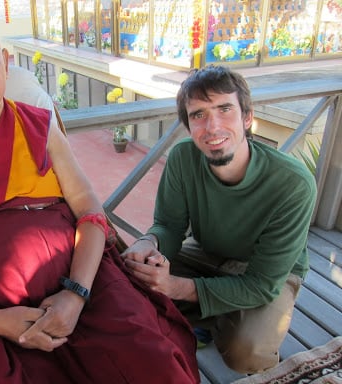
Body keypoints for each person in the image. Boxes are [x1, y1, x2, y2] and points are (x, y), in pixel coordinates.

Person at [0, 9, 200, 384]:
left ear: (5, 64)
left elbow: (90, 210)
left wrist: (77, 293)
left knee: (151, 367)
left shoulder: (38, 126)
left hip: (84, 289)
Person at [122, 65, 317, 374]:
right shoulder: (183, 157)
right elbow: (170, 227)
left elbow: (263, 284)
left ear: (248, 117)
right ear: (188, 125)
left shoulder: (293, 183)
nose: (212, 126)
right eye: (199, 114)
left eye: (225, 109)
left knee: (246, 351)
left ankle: (217, 318)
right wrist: (149, 242)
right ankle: (217, 313)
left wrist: (176, 288)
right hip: (207, 254)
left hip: (267, 270)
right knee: (132, 285)